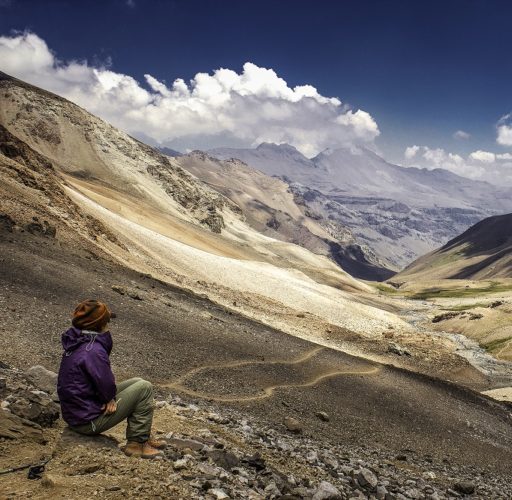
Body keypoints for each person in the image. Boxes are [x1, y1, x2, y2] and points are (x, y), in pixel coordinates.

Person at [57, 299, 166, 459]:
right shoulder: (93, 351)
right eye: (106, 320)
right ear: (100, 324)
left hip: (79, 411)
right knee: (144, 387)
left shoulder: (79, 343)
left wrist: (108, 396)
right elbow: (104, 380)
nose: (108, 324)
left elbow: (96, 380)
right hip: (87, 421)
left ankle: (144, 437)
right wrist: (109, 398)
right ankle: (137, 444)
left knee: (136, 381)